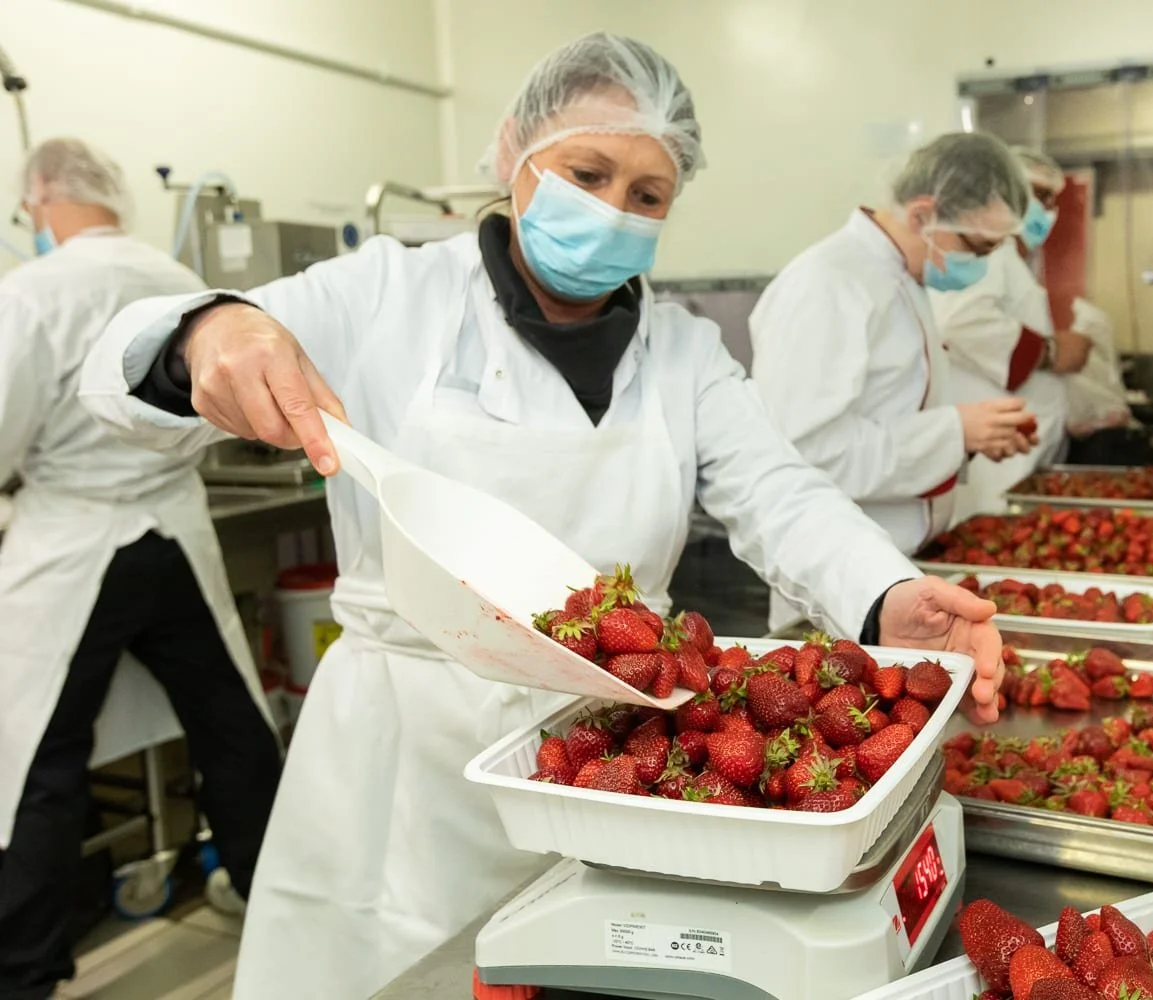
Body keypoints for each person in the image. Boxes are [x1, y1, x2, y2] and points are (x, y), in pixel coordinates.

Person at [78, 35, 1009, 999]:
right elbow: (114, 370)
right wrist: (210, 331)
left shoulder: (684, 352)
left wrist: (883, 593)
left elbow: (781, 490)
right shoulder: (387, 292)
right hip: (404, 754)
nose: (613, 211)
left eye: (647, 195)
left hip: (619, 756)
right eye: (588, 171)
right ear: (514, 151)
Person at [0, 139, 282, 1000]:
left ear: (40, 198)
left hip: (71, 539)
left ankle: (22, 971)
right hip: (175, 530)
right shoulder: (179, 280)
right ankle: (273, 897)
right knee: (231, 725)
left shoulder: (32, 292)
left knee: (38, 755)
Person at [748, 132, 1038, 632]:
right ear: (923, 215)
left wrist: (971, 437)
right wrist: (953, 433)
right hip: (841, 587)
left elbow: (888, 413)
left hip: (902, 567)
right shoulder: (827, 283)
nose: (983, 264)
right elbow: (802, 455)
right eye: (978, 246)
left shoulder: (903, 276)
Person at [928, 146, 1094, 520]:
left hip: (1017, 453)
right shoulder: (990, 253)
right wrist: (1051, 352)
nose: (1046, 210)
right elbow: (962, 321)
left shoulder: (1012, 259)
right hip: (995, 459)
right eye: (1036, 195)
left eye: (1052, 199)